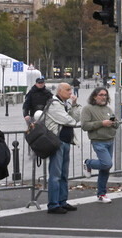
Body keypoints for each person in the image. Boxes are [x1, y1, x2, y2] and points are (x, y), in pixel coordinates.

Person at [42, 81, 83, 214]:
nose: (70, 92)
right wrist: (72, 117)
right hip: (56, 142)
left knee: (64, 174)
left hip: (66, 141)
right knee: (55, 174)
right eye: (67, 90)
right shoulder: (54, 104)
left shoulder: (64, 104)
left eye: (70, 90)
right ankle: (53, 204)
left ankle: (62, 201)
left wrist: (75, 105)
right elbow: (69, 120)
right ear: (59, 91)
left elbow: (76, 117)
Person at [81, 86, 118, 203]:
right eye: (101, 95)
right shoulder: (88, 109)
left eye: (105, 95)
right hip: (98, 141)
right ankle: (88, 163)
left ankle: (101, 194)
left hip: (110, 140)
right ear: (94, 96)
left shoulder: (108, 109)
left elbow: (117, 124)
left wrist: (114, 123)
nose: (103, 97)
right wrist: (102, 123)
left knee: (105, 169)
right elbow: (85, 125)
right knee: (106, 164)